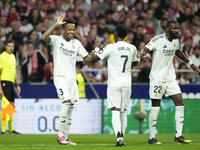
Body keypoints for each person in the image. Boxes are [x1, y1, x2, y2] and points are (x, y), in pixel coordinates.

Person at [41, 14, 100, 145]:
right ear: (63, 29)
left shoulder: (77, 44)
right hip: (60, 77)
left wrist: (98, 52)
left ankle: (66, 137)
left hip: (72, 79)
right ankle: (60, 136)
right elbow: (44, 37)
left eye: (73, 30)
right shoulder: (56, 40)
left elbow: (88, 59)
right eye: (69, 30)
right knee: (66, 102)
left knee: (71, 107)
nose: (72, 32)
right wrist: (55, 26)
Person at [138, 20, 200, 144]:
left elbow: (177, 52)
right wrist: (142, 54)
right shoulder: (158, 39)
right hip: (157, 78)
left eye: (177, 28)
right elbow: (147, 48)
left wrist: (191, 64)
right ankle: (151, 137)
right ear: (167, 29)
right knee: (155, 107)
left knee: (180, 104)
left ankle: (178, 135)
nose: (176, 30)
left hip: (170, 78)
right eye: (174, 28)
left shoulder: (175, 41)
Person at [93, 24, 139, 146]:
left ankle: (119, 139)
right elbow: (135, 62)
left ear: (116, 34)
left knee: (115, 111)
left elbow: (94, 58)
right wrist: (139, 59)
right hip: (127, 84)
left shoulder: (110, 47)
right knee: (123, 112)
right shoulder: (132, 47)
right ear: (126, 35)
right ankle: (121, 138)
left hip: (114, 84)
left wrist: (97, 48)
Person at [0, 39, 21, 134]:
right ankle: (3, 130)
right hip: (4, 82)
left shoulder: (13, 56)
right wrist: (0, 88)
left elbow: (14, 72)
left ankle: (11, 129)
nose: (11, 48)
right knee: (5, 107)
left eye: (12, 46)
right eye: (9, 46)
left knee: (12, 106)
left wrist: (17, 85)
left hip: (11, 83)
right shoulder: (2, 57)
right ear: (5, 47)